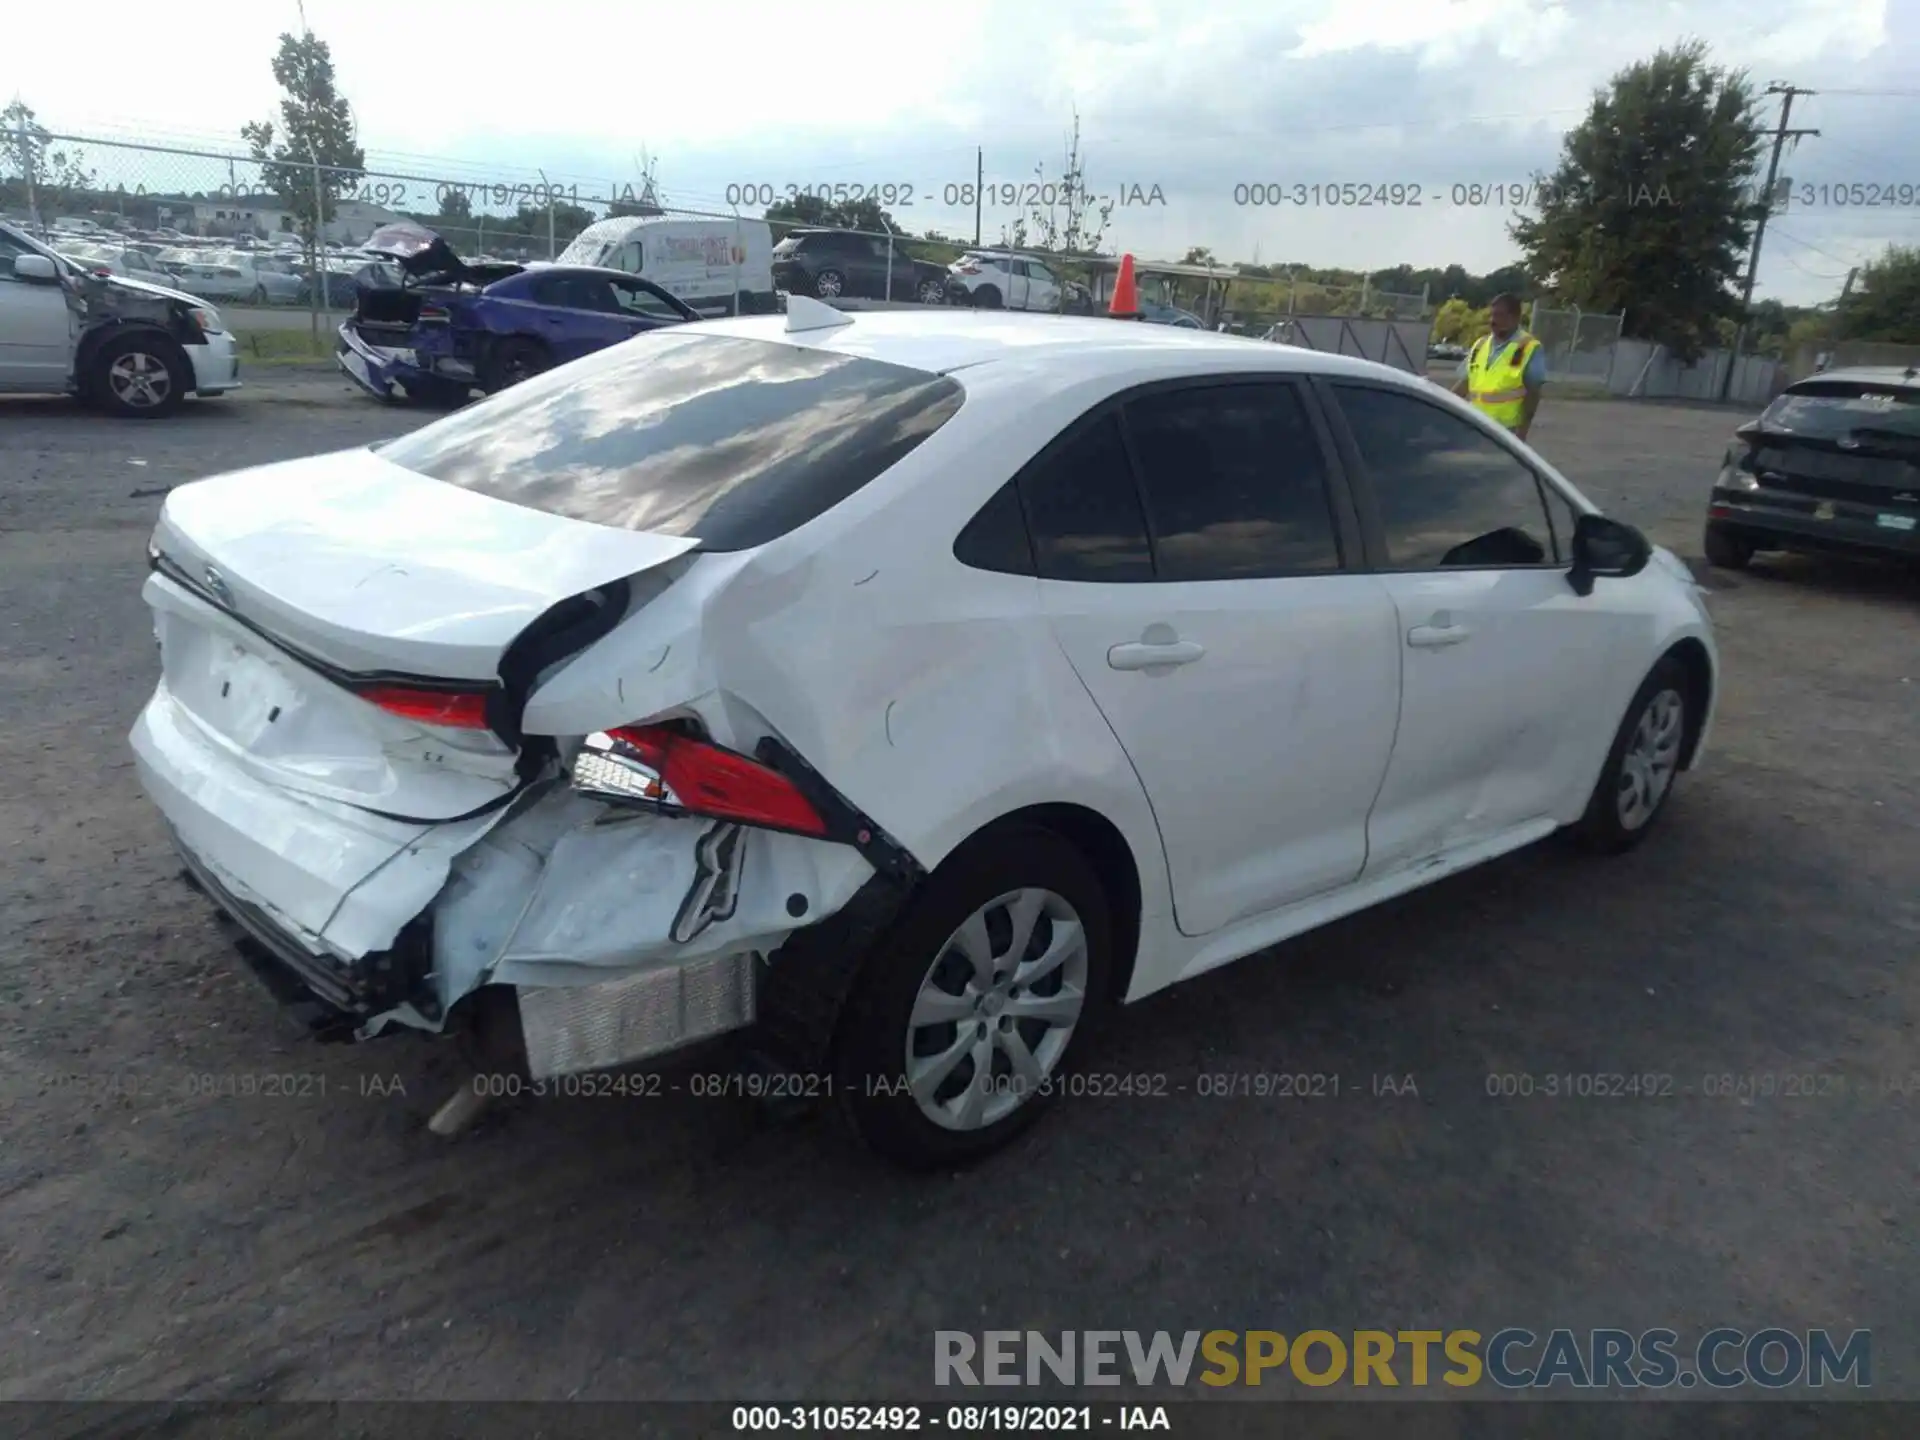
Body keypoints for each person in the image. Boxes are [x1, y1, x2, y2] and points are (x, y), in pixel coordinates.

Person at [1451, 293, 1546, 442]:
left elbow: (1533, 394)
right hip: (1475, 427)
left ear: (1515, 318)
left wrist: (1521, 434)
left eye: (1499, 315)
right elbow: (1464, 384)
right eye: (1492, 315)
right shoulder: (1480, 345)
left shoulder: (1528, 347)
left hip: (1506, 433)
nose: (1493, 321)